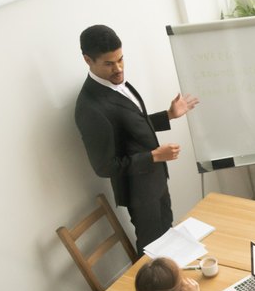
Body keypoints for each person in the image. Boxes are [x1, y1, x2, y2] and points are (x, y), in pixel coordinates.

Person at [75, 25, 199, 254]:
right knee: (153, 249)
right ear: (87, 60)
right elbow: (104, 166)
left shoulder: (117, 80)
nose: (119, 68)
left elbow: (129, 126)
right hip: (138, 193)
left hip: (156, 181)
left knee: (168, 239)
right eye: (109, 64)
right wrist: (153, 156)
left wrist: (168, 115)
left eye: (121, 59)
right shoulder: (89, 108)